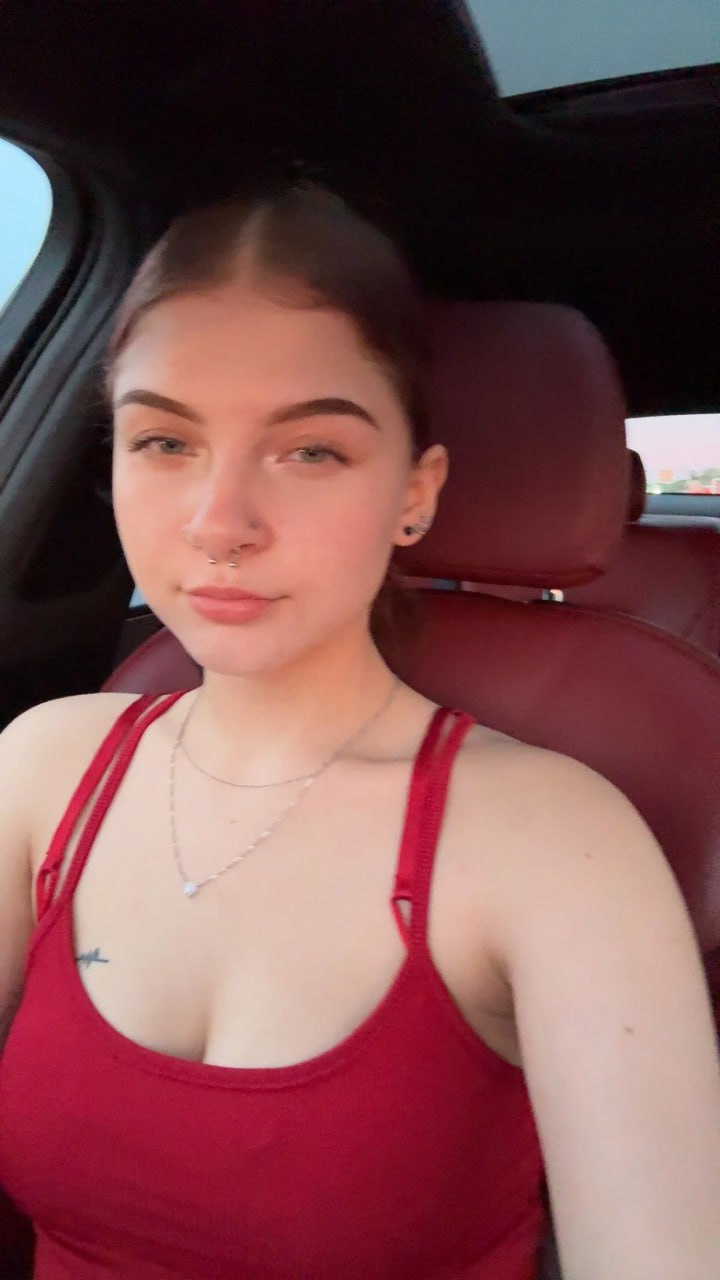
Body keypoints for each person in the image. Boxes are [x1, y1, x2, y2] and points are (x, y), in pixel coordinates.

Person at [0, 181, 718, 1280]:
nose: (219, 523)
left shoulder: (555, 842)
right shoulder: (44, 766)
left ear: (415, 493)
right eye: (164, 440)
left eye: (311, 452)